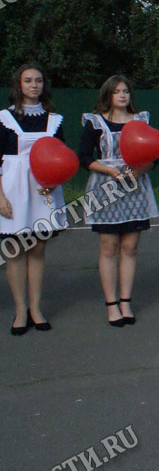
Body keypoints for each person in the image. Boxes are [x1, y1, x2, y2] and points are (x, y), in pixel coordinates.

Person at [78, 75, 159, 326]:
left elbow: (154, 153)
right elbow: (83, 157)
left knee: (130, 248)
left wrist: (138, 171)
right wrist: (111, 171)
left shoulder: (141, 121)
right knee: (109, 247)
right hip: (106, 189)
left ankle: (126, 301)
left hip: (135, 189)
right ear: (108, 95)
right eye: (117, 91)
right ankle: (111, 304)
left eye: (126, 91)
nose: (122, 95)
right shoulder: (94, 122)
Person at [1, 64, 68, 334]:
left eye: (38, 80)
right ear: (19, 85)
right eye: (28, 80)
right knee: (15, 251)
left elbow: (62, 157)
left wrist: (53, 183)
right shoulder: (3, 118)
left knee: (37, 249)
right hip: (13, 189)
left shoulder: (55, 120)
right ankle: (20, 310)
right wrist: (0, 197)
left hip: (44, 190)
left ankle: (35, 308)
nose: (33, 85)